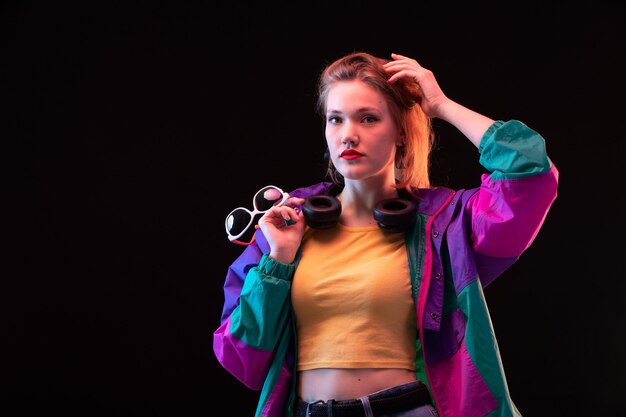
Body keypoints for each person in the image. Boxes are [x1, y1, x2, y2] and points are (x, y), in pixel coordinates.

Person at [213, 51, 559, 417]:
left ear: (401, 132)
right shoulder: (284, 226)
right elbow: (239, 356)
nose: (348, 134)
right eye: (336, 119)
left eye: (368, 118)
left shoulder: (443, 225)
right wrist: (278, 263)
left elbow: (528, 173)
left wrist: (442, 106)